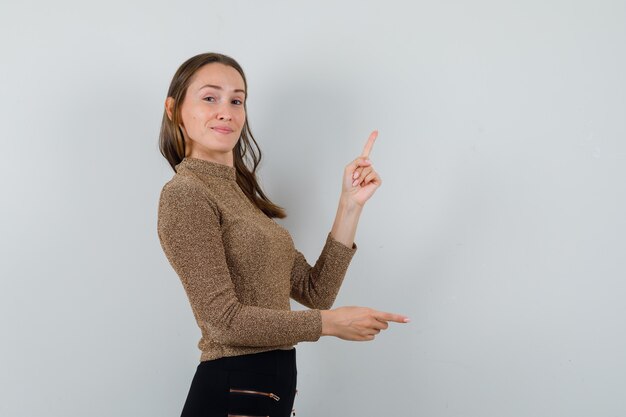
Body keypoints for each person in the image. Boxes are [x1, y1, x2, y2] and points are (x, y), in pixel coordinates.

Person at [157, 52, 409, 417]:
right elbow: (222, 321)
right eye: (210, 97)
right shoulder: (186, 194)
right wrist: (331, 324)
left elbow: (314, 291)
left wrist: (349, 205)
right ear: (173, 109)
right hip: (233, 390)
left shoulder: (243, 200)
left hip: (266, 389)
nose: (226, 110)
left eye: (236, 100)